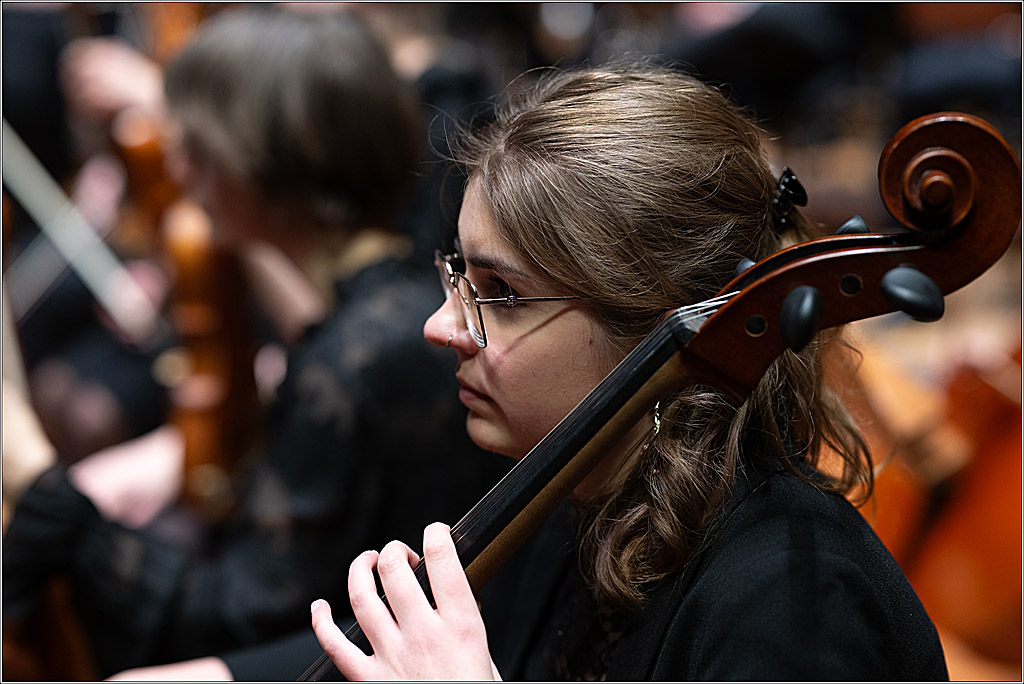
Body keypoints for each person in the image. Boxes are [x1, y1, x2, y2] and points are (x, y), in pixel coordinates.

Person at [308, 59, 950, 680]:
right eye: (459, 273)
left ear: (651, 322)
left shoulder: (797, 608)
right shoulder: (578, 494)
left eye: (499, 292)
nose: (438, 326)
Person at [2, 7, 507, 678]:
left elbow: (240, 617)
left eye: (201, 149)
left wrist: (40, 483)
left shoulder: (358, 357)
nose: (180, 168)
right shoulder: (379, 295)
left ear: (263, 163)